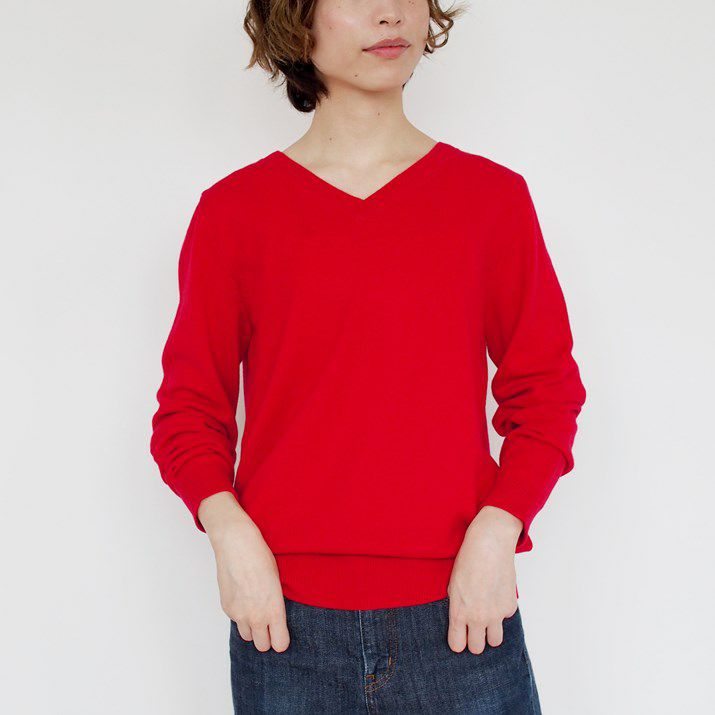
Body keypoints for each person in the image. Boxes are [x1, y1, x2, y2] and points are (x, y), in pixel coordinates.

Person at [149, 0, 587, 712]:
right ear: (295, 21)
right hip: (284, 626)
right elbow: (188, 410)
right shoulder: (235, 211)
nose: (390, 14)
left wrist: (498, 528)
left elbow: (546, 392)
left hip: (463, 614)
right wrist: (229, 536)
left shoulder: (491, 200)